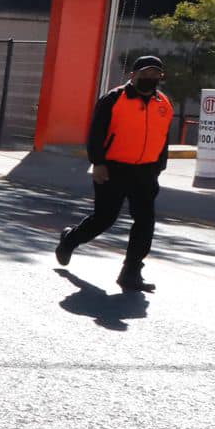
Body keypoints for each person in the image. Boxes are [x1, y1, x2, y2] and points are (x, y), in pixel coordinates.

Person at [55, 56, 172, 293]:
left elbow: (163, 137)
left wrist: (159, 166)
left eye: (155, 74)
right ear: (133, 75)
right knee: (104, 218)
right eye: (145, 73)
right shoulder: (114, 98)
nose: (150, 78)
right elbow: (96, 133)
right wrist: (98, 163)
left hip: (146, 172)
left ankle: (131, 272)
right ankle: (70, 240)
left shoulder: (164, 103)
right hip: (113, 169)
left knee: (145, 221)